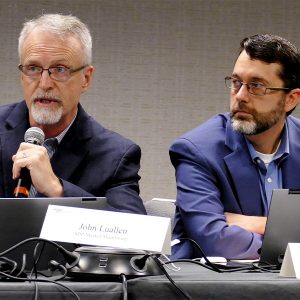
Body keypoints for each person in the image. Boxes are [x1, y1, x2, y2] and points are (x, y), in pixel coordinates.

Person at [169, 34, 300, 260]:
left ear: (291, 99)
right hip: (216, 287)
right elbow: (216, 242)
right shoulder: (196, 150)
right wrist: (287, 238)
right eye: (236, 82)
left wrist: (252, 224)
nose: (240, 96)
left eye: (257, 86)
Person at [0, 13, 146, 214]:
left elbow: (135, 232)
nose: (44, 84)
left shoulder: (115, 156)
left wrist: (58, 190)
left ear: (85, 79)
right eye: (33, 68)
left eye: (60, 70)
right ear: (21, 75)